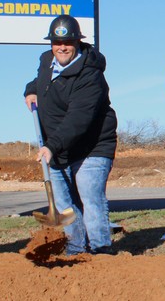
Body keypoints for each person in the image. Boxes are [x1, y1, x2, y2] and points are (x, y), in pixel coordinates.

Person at [24, 14, 118, 255]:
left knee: (90, 196)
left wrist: (51, 145)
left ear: (78, 43)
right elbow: (40, 80)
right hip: (59, 145)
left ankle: (101, 249)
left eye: (68, 43)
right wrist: (31, 91)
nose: (62, 47)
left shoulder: (90, 74)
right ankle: (75, 249)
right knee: (64, 203)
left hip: (92, 145)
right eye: (56, 42)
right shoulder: (46, 60)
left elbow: (78, 119)